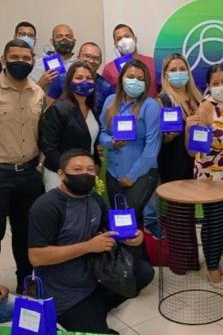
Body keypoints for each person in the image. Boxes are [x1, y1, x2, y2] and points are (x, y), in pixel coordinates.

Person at [28, 149, 154, 333]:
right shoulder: (47, 206)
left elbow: (111, 230)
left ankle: (97, 308)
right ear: (61, 174)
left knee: (144, 273)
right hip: (64, 290)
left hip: (96, 275)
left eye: (89, 169)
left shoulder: (94, 199)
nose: (85, 174)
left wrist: (133, 236)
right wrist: (88, 247)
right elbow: (37, 257)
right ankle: (89, 314)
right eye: (77, 170)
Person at [187, 64, 223, 286]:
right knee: (213, 222)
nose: (221, 87)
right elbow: (193, 149)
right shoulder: (206, 107)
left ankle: (222, 250)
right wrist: (193, 129)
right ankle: (212, 266)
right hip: (211, 176)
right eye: (215, 83)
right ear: (208, 85)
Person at [0, 39, 45, 293]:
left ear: (33, 61)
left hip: (28, 174)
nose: (20, 62)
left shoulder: (37, 92)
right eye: (14, 57)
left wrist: (40, 162)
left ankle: (25, 280)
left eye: (26, 58)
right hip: (0, 172)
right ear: (4, 59)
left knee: (25, 231)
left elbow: (42, 132)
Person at [144, 53, 202, 240]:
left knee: (189, 212)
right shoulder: (161, 101)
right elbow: (156, 137)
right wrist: (168, 136)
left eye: (182, 69)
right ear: (166, 75)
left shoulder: (197, 98)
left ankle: (191, 258)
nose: (178, 73)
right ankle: (181, 261)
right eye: (173, 70)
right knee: (178, 213)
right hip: (173, 163)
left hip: (196, 161)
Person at [99, 59, 161, 217]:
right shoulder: (110, 102)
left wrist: (132, 176)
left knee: (130, 219)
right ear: (122, 78)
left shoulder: (150, 105)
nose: (135, 81)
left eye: (141, 79)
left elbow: (152, 147)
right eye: (131, 76)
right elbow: (102, 132)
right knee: (119, 222)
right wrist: (110, 142)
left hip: (141, 174)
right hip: (113, 172)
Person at [39, 62, 100, 191]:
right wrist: (67, 171)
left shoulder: (92, 109)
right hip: (59, 174)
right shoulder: (58, 109)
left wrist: (95, 165)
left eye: (89, 78)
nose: (85, 81)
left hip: (85, 174)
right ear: (69, 81)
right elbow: (48, 147)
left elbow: (90, 141)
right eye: (78, 78)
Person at [47, 42, 115, 118]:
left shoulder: (107, 87)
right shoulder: (61, 79)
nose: (91, 61)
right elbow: (49, 110)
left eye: (96, 58)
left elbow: (107, 118)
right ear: (78, 57)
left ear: (100, 62)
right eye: (87, 56)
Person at [102, 24, 158, 97]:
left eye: (127, 36)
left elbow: (163, 90)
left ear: (135, 39)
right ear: (115, 44)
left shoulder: (153, 63)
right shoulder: (109, 69)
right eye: (119, 39)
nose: (124, 41)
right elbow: (107, 97)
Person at [30, 24, 79, 91]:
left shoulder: (79, 63)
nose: (64, 38)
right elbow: (30, 93)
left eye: (68, 36)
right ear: (52, 41)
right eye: (59, 36)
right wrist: (41, 83)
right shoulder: (41, 62)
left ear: (74, 41)